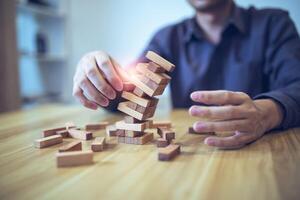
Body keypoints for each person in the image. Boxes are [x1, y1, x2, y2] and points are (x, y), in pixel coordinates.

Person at [72, 0, 300, 149]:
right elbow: (130, 96)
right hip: (190, 153)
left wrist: (268, 113)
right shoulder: (166, 38)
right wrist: (102, 79)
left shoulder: (274, 23)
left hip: (263, 152)